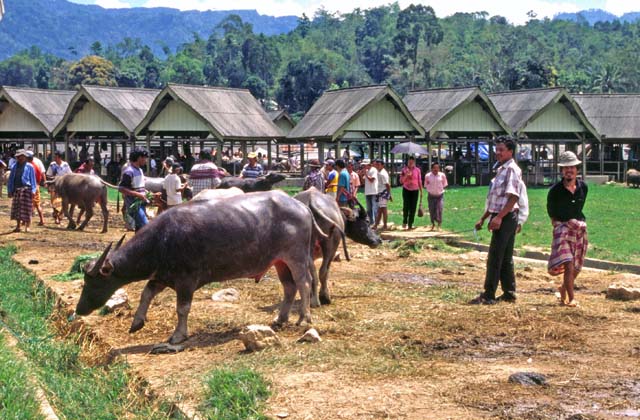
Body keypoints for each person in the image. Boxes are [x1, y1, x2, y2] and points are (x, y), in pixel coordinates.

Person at [471, 137, 522, 305]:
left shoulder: (511, 169)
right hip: (499, 215)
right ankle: (509, 293)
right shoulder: (501, 169)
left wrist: (499, 217)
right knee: (505, 257)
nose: (497, 153)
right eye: (496, 149)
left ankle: (489, 294)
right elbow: (496, 200)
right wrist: (484, 218)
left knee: (495, 256)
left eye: (501, 150)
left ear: (510, 151)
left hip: (506, 217)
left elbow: (513, 197)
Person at [547, 151, 588, 308]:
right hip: (563, 229)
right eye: (565, 168)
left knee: (577, 266)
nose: (569, 171)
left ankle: (564, 287)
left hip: (578, 228)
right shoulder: (555, 191)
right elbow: (552, 214)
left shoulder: (583, 188)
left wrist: (577, 224)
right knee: (569, 264)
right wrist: (560, 225)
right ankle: (571, 299)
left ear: (577, 169)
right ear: (561, 171)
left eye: (572, 167)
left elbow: (578, 209)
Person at [119, 148, 150, 232]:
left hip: (141, 204)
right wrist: (138, 195)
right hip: (134, 206)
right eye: (145, 158)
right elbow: (121, 189)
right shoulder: (129, 172)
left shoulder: (140, 170)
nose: (146, 160)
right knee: (146, 227)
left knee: (139, 229)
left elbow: (138, 187)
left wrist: (145, 192)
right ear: (139, 158)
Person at [7, 150, 37, 233]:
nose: (21, 158)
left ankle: (28, 226)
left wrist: (33, 190)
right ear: (17, 157)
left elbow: (33, 179)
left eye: (22, 156)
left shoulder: (30, 166)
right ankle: (18, 226)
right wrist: (9, 190)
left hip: (27, 189)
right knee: (17, 209)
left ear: (25, 157)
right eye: (19, 156)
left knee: (27, 209)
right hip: (16, 189)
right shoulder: (14, 166)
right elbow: (11, 179)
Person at [46, 150, 72, 224]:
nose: (55, 158)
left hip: (63, 186)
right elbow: (48, 175)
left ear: (60, 157)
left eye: (56, 157)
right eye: (54, 157)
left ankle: (60, 215)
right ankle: (56, 217)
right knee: (54, 202)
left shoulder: (65, 165)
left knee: (64, 201)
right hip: (54, 185)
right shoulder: (52, 165)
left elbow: (70, 174)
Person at [400, 156, 422, 230]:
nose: (411, 163)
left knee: (413, 207)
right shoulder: (404, 170)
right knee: (406, 206)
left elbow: (419, 180)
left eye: (412, 162)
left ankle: (410, 223)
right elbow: (401, 181)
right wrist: (406, 175)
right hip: (406, 189)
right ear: (407, 162)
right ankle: (405, 221)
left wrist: (421, 191)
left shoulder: (417, 170)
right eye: (409, 162)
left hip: (415, 190)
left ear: (414, 162)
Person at [424, 162, 448, 231]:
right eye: (434, 168)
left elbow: (445, 184)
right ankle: (433, 224)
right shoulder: (428, 176)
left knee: (439, 209)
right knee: (432, 210)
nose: (436, 169)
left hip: (439, 196)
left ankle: (439, 225)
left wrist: (440, 189)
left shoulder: (442, 175)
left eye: (437, 168)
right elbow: (425, 185)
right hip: (431, 196)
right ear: (432, 168)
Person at [26, 151, 45, 226]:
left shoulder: (29, 166)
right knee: (37, 204)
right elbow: (40, 176)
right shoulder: (35, 165)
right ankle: (42, 220)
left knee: (28, 204)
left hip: (30, 186)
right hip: (36, 186)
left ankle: (26, 221)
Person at [373, 159, 392, 230]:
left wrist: (389, 194)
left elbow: (387, 185)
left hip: (383, 192)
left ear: (382, 165)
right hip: (381, 192)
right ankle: (377, 225)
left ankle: (384, 225)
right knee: (380, 210)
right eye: (376, 165)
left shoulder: (382, 174)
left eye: (379, 165)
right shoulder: (379, 172)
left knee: (383, 209)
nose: (377, 166)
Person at [360, 159, 378, 225]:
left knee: (375, 208)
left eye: (364, 165)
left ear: (368, 164)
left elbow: (372, 180)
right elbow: (363, 182)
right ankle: (371, 222)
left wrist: (365, 174)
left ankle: (377, 223)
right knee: (369, 209)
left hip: (374, 192)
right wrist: (361, 175)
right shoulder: (367, 171)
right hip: (367, 192)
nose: (363, 166)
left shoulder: (374, 170)